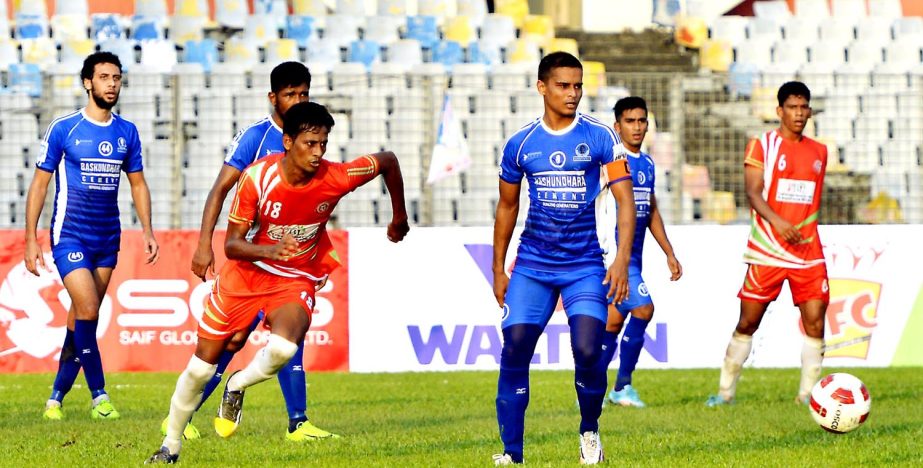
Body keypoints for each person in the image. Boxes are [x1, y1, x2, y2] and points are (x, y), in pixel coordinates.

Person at [146, 101, 410, 464]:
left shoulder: (336, 177)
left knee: (285, 348)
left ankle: (237, 383)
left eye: (323, 143)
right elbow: (233, 245)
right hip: (247, 274)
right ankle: (170, 446)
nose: (318, 152)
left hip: (295, 276)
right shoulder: (257, 177)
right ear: (287, 141)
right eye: (309, 143)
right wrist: (270, 249)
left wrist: (399, 216)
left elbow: (388, 160)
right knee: (200, 369)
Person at [160, 61, 335, 442]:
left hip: (288, 259)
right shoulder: (256, 137)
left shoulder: (311, 140)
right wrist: (204, 243)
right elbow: (220, 188)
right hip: (252, 256)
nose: (298, 100)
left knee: (290, 335)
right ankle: (183, 417)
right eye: (290, 94)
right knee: (232, 341)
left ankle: (298, 422)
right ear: (273, 98)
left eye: (303, 93)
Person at [491, 52, 636, 466]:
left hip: (584, 266)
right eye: (563, 85)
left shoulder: (600, 137)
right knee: (515, 346)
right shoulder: (521, 144)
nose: (572, 94)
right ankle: (511, 454)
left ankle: (589, 429)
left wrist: (621, 261)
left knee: (589, 350)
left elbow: (626, 202)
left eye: (578, 86)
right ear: (542, 87)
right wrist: (498, 268)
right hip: (533, 265)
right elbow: (506, 208)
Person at [24, 51, 160, 421]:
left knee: (79, 319)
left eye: (116, 77)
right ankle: (100, 396)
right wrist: (31, 238)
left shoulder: (127, 131)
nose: (111, 84)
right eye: (104, 77)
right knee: (87, 309)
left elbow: (138, 184)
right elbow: (39, 185)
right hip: (70, 235)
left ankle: (55, 398)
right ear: (88, 82)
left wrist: (147, 230)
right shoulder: (64, 128)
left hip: (107, 238)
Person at [706, 81, 828, 407]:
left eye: (804, 107)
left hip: (808, 250)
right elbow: (752, 192)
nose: (799, 113)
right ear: (779, 111)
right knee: (748, 321)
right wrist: (778, 222)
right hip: (768, 249)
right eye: (792, 107)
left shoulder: (820, 151)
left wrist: (797, 226)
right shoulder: (762, 145)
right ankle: (725, 392)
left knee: (816, 320)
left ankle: (807, 396)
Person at [597, 97, 682, 408]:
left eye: (642, 121)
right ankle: (621, 387)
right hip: (614, 258)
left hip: (636, 257)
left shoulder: (646, 163)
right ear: (617, 126)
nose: (637, 127)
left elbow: (651, 210)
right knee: (644, 310)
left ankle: (592, 389)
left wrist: (668, 252)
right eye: (630, 121)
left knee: (612, 324)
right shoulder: (609, 165)